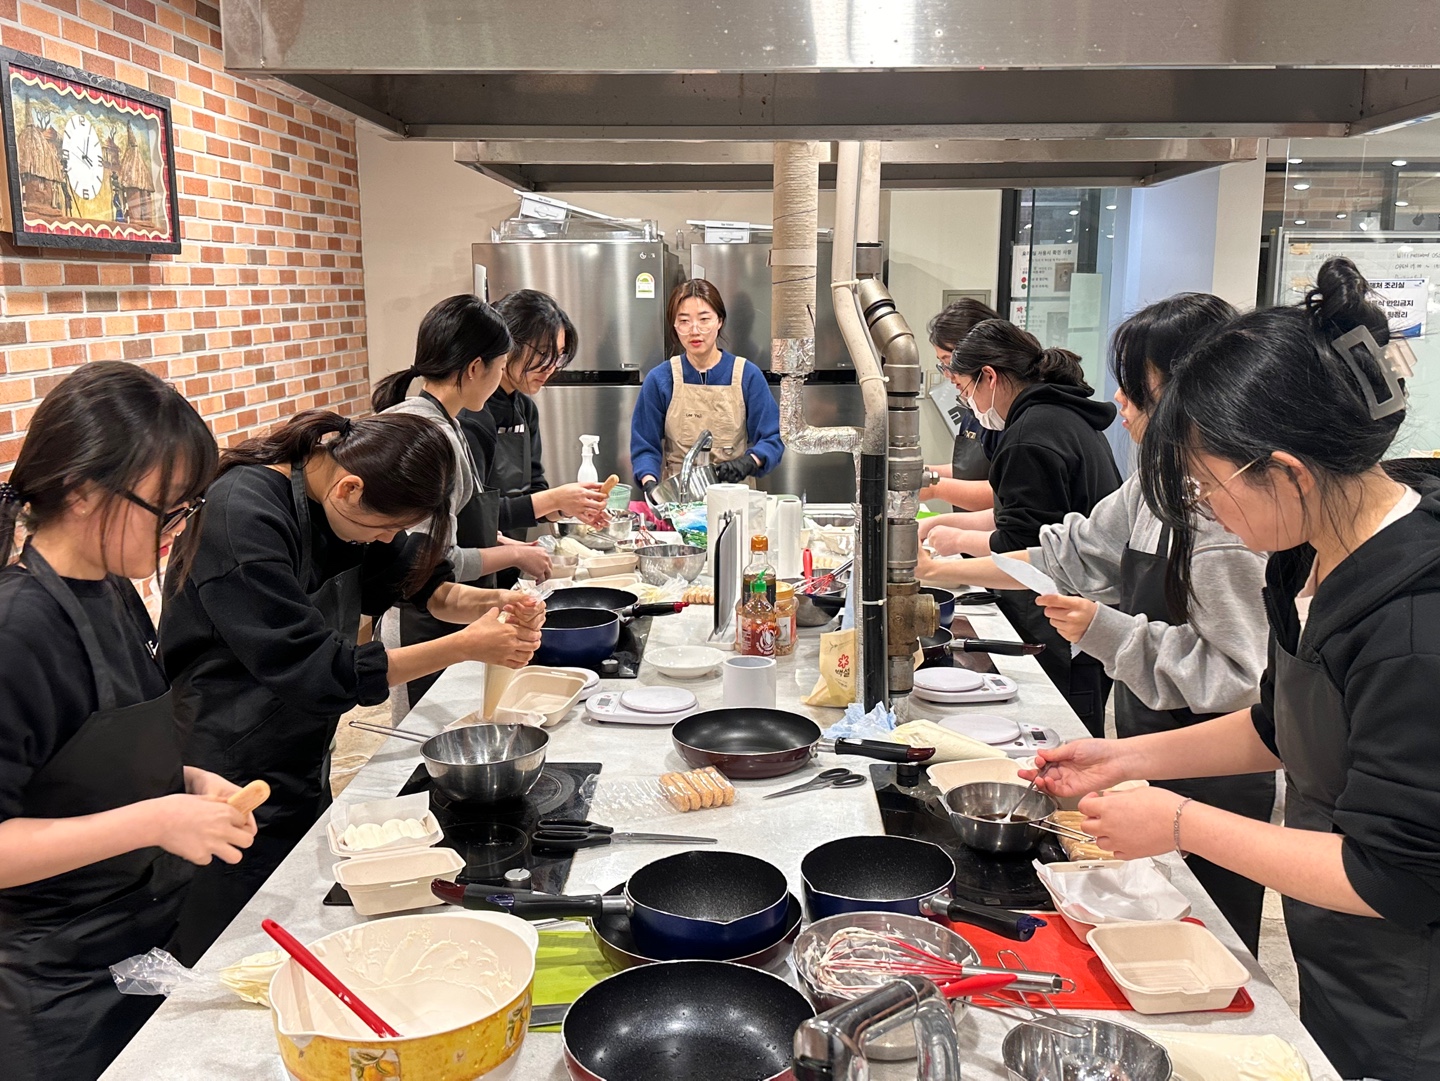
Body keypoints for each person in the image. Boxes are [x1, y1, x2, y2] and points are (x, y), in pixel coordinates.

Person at [1027, 258, 1440, 1080]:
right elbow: (1278, 725)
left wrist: (1181, 823)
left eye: (1208, 486)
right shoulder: (1305, 555)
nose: (1205, 508)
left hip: (1409, 983)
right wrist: (1123, 757)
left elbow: (1392, 873)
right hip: (1338, 949)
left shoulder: (1413, 625)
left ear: (1287, 472)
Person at [918, 295, 1276, 954]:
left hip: (1217, 766)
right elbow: (1066, 554)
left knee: (1202, 946)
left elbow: (1238, 678)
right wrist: (945, 566)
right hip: (1149, 736)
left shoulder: (1224, 516)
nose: (1120, 399)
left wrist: (1105, 630)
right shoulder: (1156, 483)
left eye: (1138, 387)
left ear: (1197, 387)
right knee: (1148, 930)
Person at [162, 410, 543, 962]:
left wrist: (497, 603)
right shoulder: (241, 516)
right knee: (235, 940)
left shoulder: (339, 504)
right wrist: (465, 646)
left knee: (300, 910)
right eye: (386, 527)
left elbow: (428, 588)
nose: (387, 539)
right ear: (350, 490)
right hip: (225, 760)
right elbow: (319, 670)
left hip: (299, 742)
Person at [0, 362, 256, 1081]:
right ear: (82, 490)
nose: (179, 527)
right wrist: (155, 819)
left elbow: (82, 767)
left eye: (187, 506)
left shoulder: (113, 589)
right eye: (165, 507)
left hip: (140, 943)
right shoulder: (18, 630)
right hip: (54, 989)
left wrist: (187, 782)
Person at [918, 319, 1122, 736]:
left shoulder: (1031, 433)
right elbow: (1022, 514)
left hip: (1067, 614)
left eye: (965, 389)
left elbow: (1024, 546)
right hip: (1081, 604)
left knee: (1065, 734)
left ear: (989, 377)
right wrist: (944, 523)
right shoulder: (1054, 414)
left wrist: (943, 559)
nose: (968, 402)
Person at [373, 294, 553, 711]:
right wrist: (511, 562)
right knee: (424, 739)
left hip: (448, 610)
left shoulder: (442, 422)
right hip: (423, 622)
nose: (502, 377)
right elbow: (436, 561)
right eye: (501, 366)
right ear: (475, 368)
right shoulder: (432, 436)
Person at [463, 289, 607, 545]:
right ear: (508, 343)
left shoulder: (525, 410)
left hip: (510, 558)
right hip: (473, 559)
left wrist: (568, 508)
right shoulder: (471, 412)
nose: (550, 367)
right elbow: (474, 514)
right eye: (542, 353)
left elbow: (534, 489)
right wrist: (555, 499)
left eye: (558, 356)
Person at [631, 278, 783, 497]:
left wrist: (749, 462)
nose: (695, 330)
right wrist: (650, 484)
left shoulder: (747, 376)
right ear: (674, 325)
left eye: (704, 319)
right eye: (684, 321)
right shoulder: (660, 379)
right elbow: (645, 445)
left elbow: (773, 437)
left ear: (719, 321)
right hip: (679, 501)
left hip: (734, 498)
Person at [918, 297, 1005, 512]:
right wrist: (920, 474)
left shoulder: (1010, 413)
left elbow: (1005, 495)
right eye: (942, 365)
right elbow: (968, 471)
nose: (949, 376)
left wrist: (935, 488)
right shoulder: (975, 403)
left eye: (949, 362)